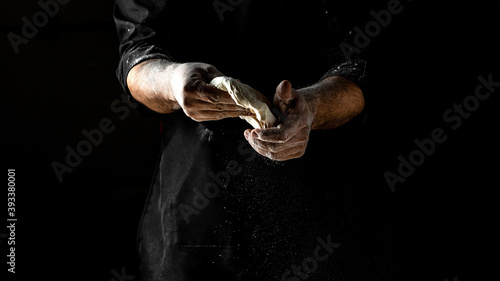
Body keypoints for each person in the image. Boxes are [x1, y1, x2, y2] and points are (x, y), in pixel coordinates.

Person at [114, 0, 383, 280]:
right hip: (196, 202)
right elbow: (137, 54)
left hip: (318, 201)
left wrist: (312, 108)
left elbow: (365, 66)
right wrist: (171, 81)